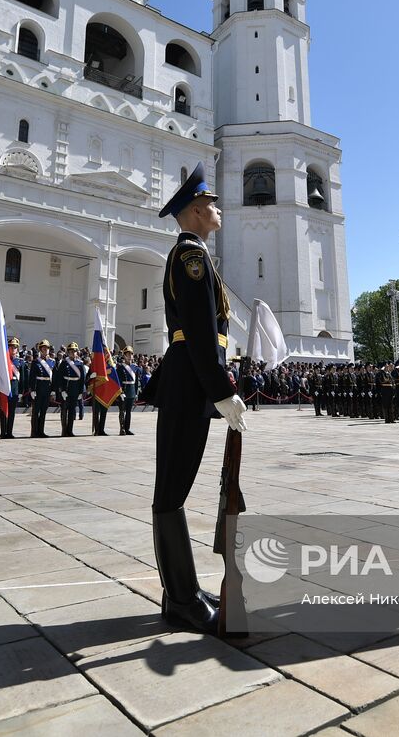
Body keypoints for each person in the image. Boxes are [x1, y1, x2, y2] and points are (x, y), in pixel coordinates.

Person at [150, 162, 248, 634]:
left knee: (177, 486)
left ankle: (181, 591)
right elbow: (202, 334)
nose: (218, 208)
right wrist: (222, 390)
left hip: (192, 380)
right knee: (171, 490)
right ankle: (182, 598)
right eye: (211, 202)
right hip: (190, 380)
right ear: (193, 210)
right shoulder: (190, 257)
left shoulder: (197, 255)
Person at [54, 343, 86, 437]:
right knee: (64, 410)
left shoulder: (80, 364)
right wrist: (62, 390)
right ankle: (64, 430)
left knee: (72, 411)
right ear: (68, 352)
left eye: (75, 351)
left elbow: (82, 379)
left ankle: (70, 430)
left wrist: (80, 392)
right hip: (66, 389)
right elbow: (59, 378)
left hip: (75, 389)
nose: (73, 353)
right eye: (71, 351)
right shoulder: (64, 363)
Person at [29, 340, 54, 437]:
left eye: (47, 348)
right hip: (38, 388)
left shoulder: (52, 362)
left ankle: (41, 431)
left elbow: (53, 378)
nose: (46, 350)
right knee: (36, 411)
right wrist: (32, 389)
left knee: (43, 411)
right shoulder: (36, 362)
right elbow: (32, 377)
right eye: (44, 348)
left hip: (47, 388)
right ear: (40, 350)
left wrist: (53, 391)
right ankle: (34, 432)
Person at [0, 337, 22, 438]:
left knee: (12, 412)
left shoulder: (20, 362)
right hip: (5, 388)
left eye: (15, 348)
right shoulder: (4, 360)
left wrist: (21, 391)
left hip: (15, 389)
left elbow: (23, 379)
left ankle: (9, 432)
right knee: (4, 410)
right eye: (11, 347)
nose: (13, 349)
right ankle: (3, 432)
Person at [115, 347, 140, 435]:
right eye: (127, 354)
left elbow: (136, 382)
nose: (129, 356)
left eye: (131, 354)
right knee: (122, 411)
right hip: (124, 391)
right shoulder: (120, 367)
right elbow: (117, 382)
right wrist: (120, 392)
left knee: (129, 411)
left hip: (131, 391)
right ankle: (122, 429)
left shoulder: (135, 367)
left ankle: (127, 428)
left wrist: (136, 392)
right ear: (124, 356)